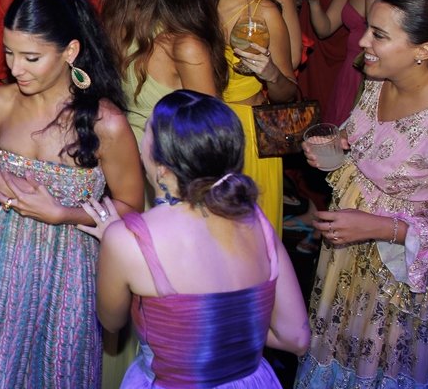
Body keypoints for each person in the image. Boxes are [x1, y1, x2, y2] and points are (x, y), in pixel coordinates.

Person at [295, 0, 428, 388]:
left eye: (380, 35)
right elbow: (366, 145)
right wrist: (336, 146)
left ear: (424, 51)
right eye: (369, 28)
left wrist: (381, 227)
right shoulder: (378, 80)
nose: (363, 42)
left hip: (400, 290)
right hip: (347, 267)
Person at [0, 0, 145, 388]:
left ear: (70, 51)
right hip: (0, 263)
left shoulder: (104, 123)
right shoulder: (0, 104)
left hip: (70, 274)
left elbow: (132, 208)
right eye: (9, 53)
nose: (15, 68)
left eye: (31, 57)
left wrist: (64, 214)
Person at [93, 91, 310, 388]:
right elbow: (296, 337)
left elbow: (111, 321)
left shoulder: (127, 240)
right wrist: (233, 342)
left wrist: (114, 246)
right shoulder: (255, 219)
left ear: (162, 164)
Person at [184, 0, 298, 234]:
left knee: (246, 249)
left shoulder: (261, 11)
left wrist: (271, 72)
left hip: (244, 139)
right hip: (195, 135)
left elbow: (287, 93)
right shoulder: (186, 7)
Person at [101, 0, 228, 145]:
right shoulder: (118, 23)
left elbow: (210, 136)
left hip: (167, 172)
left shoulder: (184, 46)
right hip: (123, 164)